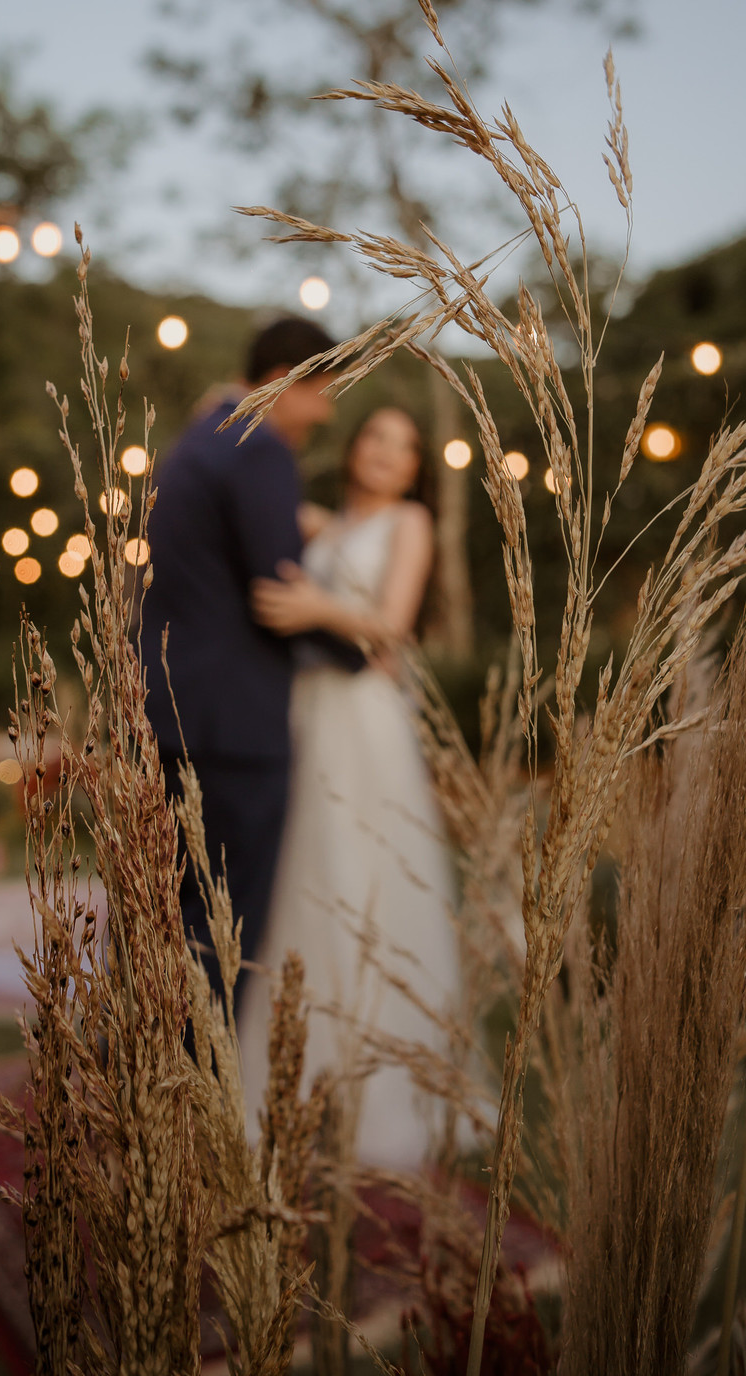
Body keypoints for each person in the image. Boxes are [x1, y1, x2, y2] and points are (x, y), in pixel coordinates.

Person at [237, 405, 461, 1170]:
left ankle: (374, 1082)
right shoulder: (323, 524)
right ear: (355, 445)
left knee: (362, 876)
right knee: (297, 871)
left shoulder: (411, 523)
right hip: (304, 710)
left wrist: (316, 606)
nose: (385, 451)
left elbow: (392, 625)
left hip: (365, 720)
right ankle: (286, 1071)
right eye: (375, 434)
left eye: (404, 445)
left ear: (414, 468)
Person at [139, 315, 344, 1012]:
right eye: (323, 390)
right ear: (290, 378)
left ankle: (122, 1093)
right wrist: (363, 643)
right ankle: (189, 1110)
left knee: (153, 929)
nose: (325, 410)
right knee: (217, 938)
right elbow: (278, 586)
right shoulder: (261, 447)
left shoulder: (201, 436)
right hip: (233, 731)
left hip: (170, 713)